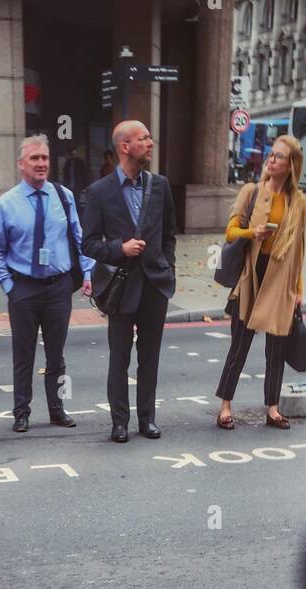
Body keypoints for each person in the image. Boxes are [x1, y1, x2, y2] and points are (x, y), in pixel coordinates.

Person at [0, 135, 94, 432]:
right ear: (22, 164)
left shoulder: (64, 196)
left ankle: (57, 409)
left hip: (58, 288)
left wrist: (87, 273)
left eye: (45, 158)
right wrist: (9, 287)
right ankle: (21, 412)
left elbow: (79, 237)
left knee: (56, 356)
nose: (41, 163)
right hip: (23, 289)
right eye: (35, 158)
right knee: (24, 355)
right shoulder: (6, 203)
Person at [81, 120, 177, 442]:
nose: (150, 142)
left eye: (150, 137)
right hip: (121, 287)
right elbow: (89, 243)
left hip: (154, 286)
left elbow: (169, 236)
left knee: (150, 357)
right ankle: (119, 422)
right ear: (125, 147)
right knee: (119, 358)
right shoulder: (99, 192)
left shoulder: (161, 185)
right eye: (143, 138)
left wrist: (168, 269)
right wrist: (118, 249)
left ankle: (146, 419)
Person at [215, 134, 306, 431]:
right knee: (239, 345)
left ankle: (273, 407)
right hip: (251, 276)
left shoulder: (299, 203)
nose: (272, 159)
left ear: (291, 165)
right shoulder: (251, 191)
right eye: (271, 154)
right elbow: (230, 231)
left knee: (276, 350)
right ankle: (225, 406)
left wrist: (299, 290)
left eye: (279, 156)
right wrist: (250, 233)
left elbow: (299, 250)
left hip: (281, 280)